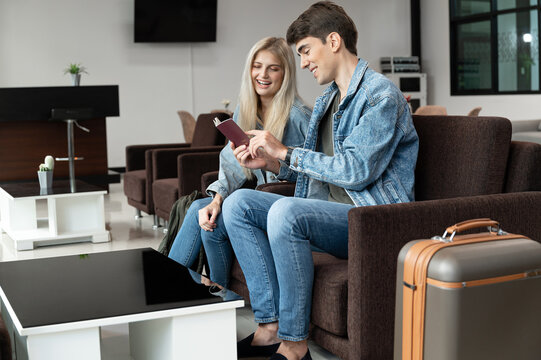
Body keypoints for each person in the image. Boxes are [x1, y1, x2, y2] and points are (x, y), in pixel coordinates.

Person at [222, 2, 419, 360]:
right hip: (330, 213)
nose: (304, 63)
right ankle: (268, 326)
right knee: (239, 204)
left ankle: (295, 345)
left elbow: (356, 172)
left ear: (333, 41)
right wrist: (271, 162)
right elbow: (316, 170)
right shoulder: (329, 98)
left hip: (373, 219)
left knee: (285, 213)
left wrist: (284, 152)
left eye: (305, 51)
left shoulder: (381, 96)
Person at [167, 37, 311, 300]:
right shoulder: (246, 112)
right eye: (257, 66)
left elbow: (312, 176)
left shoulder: (299, 117)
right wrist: (217, 199)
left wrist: (275, 164)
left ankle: (184, 294)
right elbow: (231, 164)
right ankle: (210, 296)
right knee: (202, 211)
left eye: (273, 68)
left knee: (204, 214)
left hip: (288, 206)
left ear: (286, 73)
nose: (263, 75)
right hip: (256, 200)